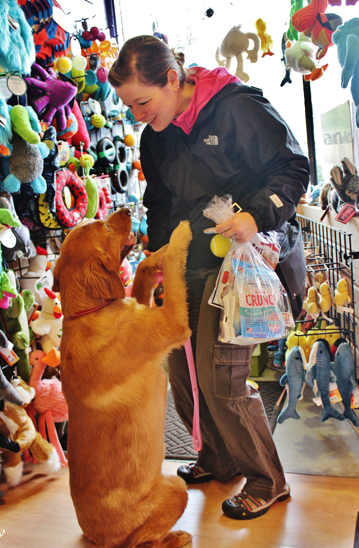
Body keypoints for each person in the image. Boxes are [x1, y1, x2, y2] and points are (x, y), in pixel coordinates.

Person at [108, 35, 310, 520]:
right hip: (189, 263)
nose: (136, 113)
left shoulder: (237, 108)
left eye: (142, 100)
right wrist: (157, 258)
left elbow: (293, 167)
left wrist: (256, 216)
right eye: (129, 104)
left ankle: (267, 479)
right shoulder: (155, 136)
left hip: (245, 259)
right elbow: (160, 204)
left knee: (221, 375)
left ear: (173, 80)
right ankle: (217, 457)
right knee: (181, 364)